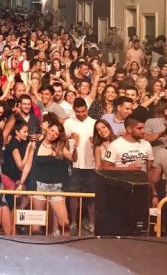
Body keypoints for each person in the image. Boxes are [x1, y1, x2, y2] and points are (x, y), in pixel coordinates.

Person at [18, 120, 76, 236]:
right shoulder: (35, 145)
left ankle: (67, 250)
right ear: (48, 129)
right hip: (39, 187)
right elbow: (28, 164)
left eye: (56, 133)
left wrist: (74, 149)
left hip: (56, 188)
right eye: (52, 130)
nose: (53, 134)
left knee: (65, 223)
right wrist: (21, 182)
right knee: (36, 226)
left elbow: (72, 158)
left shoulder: (59, 147)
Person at [64, 98, 96, 234]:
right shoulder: (68, 123)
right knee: (73, 195)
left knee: (91, 196)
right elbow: (63, 143)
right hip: (74, 164)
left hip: (91, 164)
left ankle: (92, 223)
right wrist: (70, 140)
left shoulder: (94, 123)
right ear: (74, 110)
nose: (81, 114)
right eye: (78, 112)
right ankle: (73, 222)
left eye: (83, 111)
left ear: (87, 109)